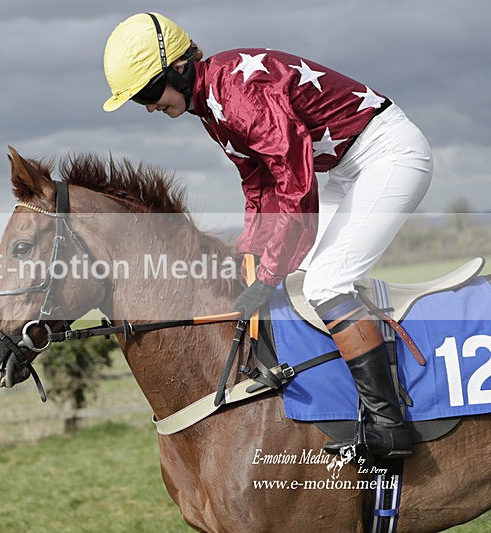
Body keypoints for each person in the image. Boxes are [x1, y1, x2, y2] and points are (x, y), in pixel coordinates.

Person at [102, 12, 433, 457]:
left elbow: (294, 184)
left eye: (146, 92)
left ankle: (390, 428)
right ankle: (344, 405)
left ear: (179, 68)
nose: (147, 106)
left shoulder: (237, 93)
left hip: (387, 156)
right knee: (302, 286)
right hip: (344, 169)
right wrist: (250, 259)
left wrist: (268, 274)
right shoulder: (211, 103)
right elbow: (258, 185)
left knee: (325, 284)